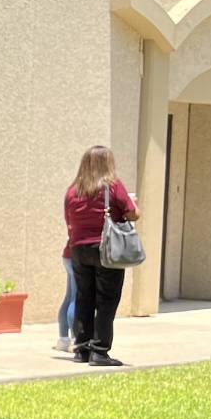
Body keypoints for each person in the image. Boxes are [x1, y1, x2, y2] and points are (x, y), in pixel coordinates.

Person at [64, 145, 139, 367]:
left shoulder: (72, 190)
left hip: (78, 248)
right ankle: (100, 351)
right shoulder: (112, 187)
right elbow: (132, 213)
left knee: (84, 298)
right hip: (106, 249)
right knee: (106, 300)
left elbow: (68, 218)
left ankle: (82, 348)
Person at [54, 242, 77, 352]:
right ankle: (75, 339)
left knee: (69, 298)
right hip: (77, 256)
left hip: (68, 255)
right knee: (75, 299)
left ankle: (63, 339)